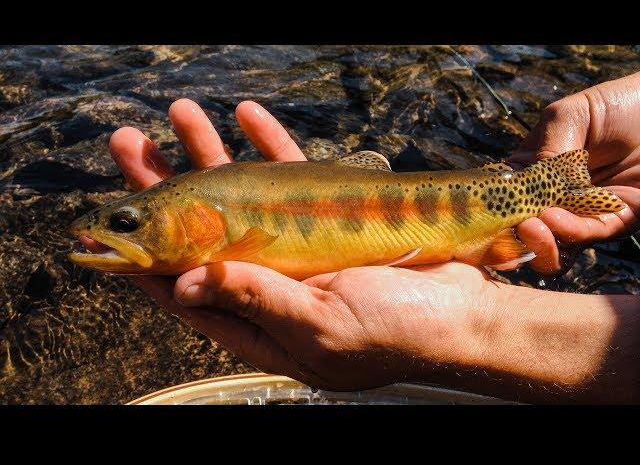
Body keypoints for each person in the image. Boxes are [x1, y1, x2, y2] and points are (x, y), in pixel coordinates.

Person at [81, 71, 640, 404]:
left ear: (199, 217)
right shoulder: (208, 215)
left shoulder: (225, 238)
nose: (107, 235)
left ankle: (553, 187)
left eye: (126, 224)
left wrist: (477, 327)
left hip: (485, 199)